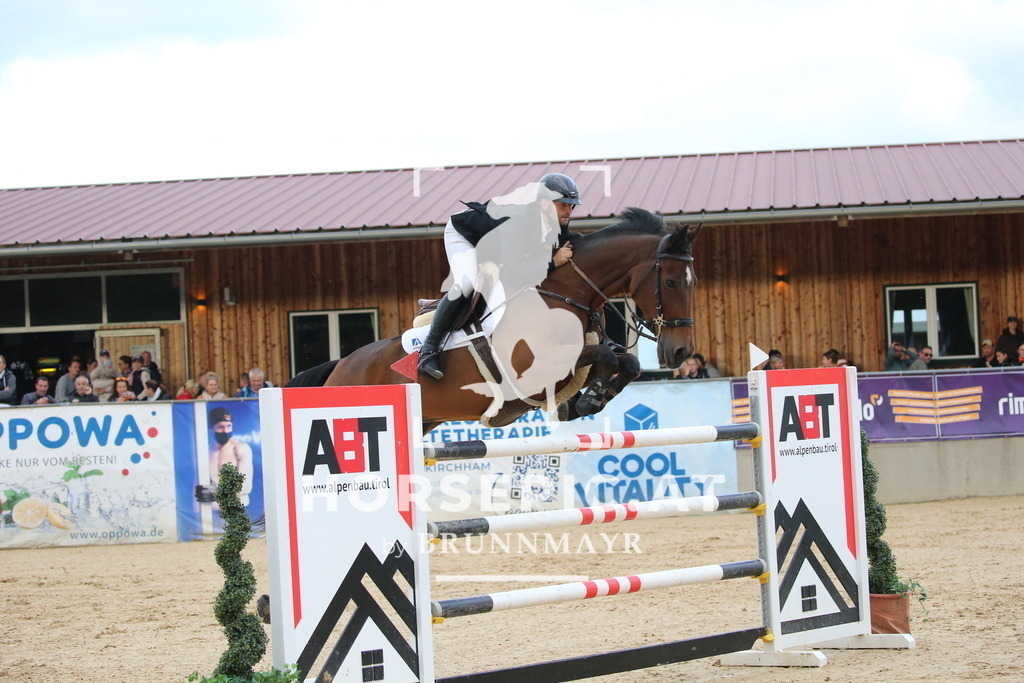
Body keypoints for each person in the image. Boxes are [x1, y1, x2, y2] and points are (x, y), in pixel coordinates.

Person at [417, 173, 580, 382]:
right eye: (563, 204)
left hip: (494, 245)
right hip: (465, 235)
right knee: (467, 283)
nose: (569, 210)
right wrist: (553, 262)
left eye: (572, 205)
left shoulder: (558, 222)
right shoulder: (518, 221)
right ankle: (429, 349)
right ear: (545, 203)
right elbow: (514, 272)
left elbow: (572, 245)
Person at [196, 407, 254, 508]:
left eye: (229, 426)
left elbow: (245, 485)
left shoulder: (240, 448)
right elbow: (199, 486)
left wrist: (217, 492)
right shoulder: (207, 451)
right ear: (212, 428)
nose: (225, 430)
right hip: (212, 511)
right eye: (220, 427)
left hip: (237, 509)